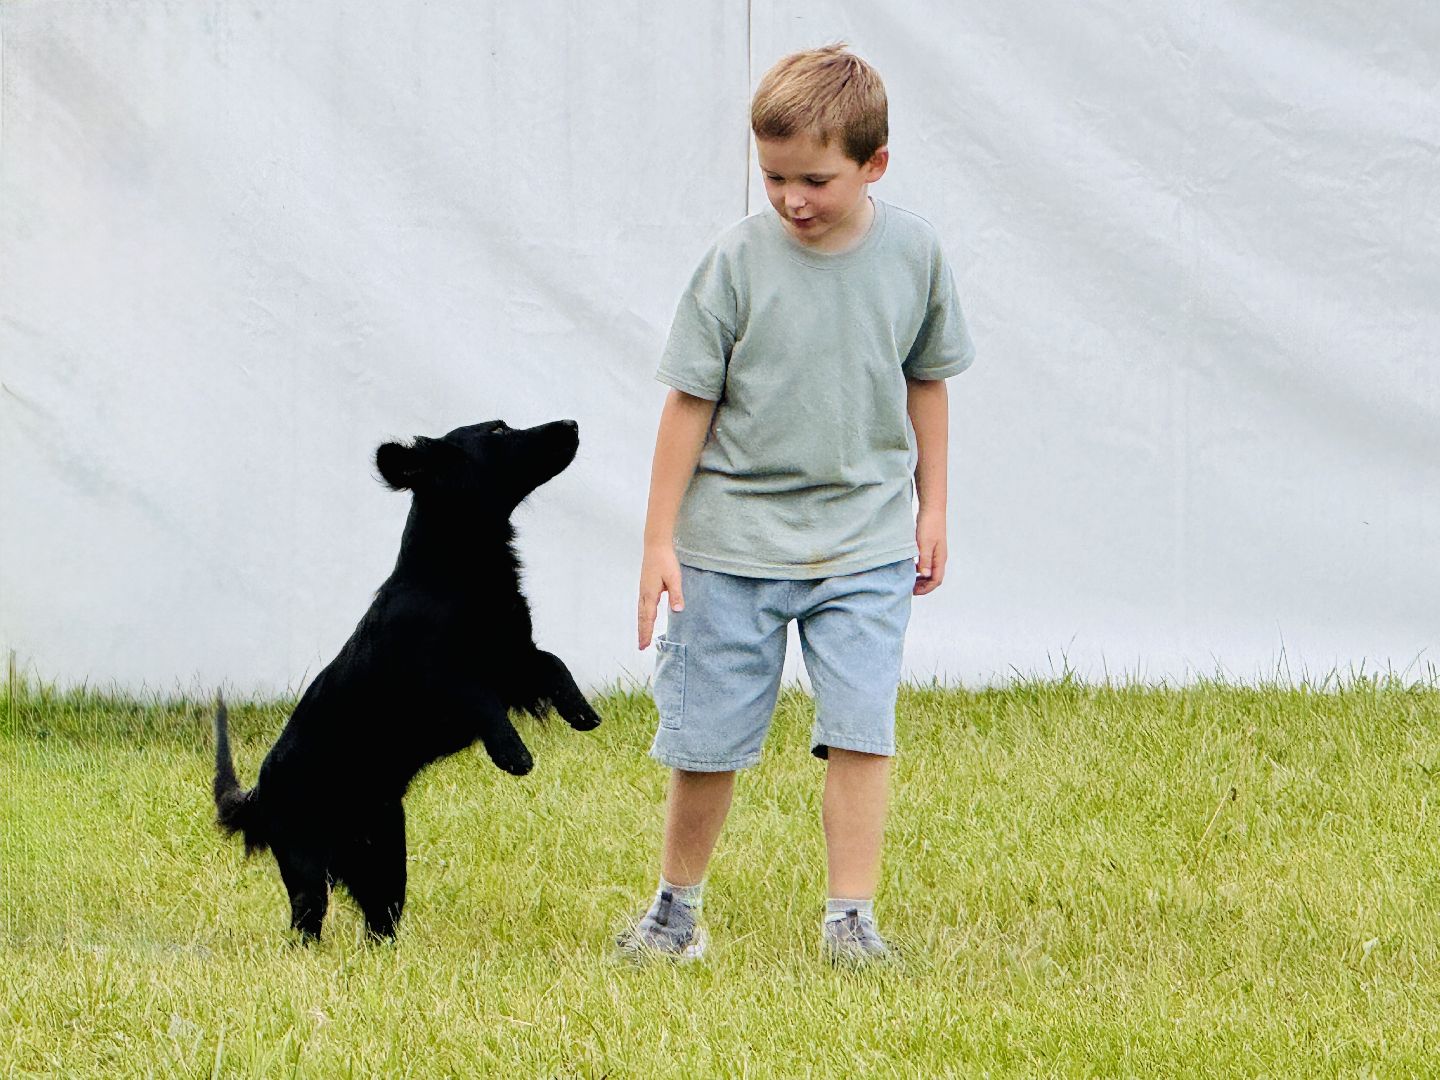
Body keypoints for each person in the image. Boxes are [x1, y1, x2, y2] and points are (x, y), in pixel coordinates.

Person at [618, 43, 976, 965]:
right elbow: (687, 402)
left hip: (864, 543)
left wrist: (932, 511)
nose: (791, 200)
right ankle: (675, 911)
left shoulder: (916, 254)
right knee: (705, 742)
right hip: (730, 545)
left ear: (875, 165)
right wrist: (660, 542)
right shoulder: (734, 261)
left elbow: (926, 383)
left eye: (815, 179)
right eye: (774, 178)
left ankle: (849, 922)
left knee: (862, 730)